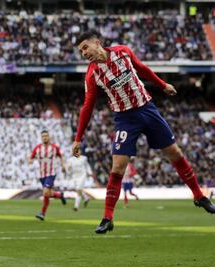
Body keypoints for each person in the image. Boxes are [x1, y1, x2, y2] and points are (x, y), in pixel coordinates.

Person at [71, 30, 215, 234]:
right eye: (80, 51)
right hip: (125, 119)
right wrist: (78, 138)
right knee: (118, 167)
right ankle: (107, 218)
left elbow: (142, 69)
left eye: (85, 47)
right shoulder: (92, 74)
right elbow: (88, 106)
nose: (84, 53)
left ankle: (199, 196)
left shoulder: (123, 52)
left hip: (147, 109)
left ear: (97, 43)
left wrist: (162, 85)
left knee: (175, 153)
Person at [29, 130, 66, 221]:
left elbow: (60, 156)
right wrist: (30, 161)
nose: (45, 137)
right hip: (41, 175)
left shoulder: (54, 147)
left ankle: (42, 213)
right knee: (47, 194)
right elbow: (31, 157)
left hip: (51, 173)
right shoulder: (37, 148)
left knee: (45, 192)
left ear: (49, 137)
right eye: (43, 136)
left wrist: (63, 165)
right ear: (41, 138)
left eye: (46, 136)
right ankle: (59, 195)